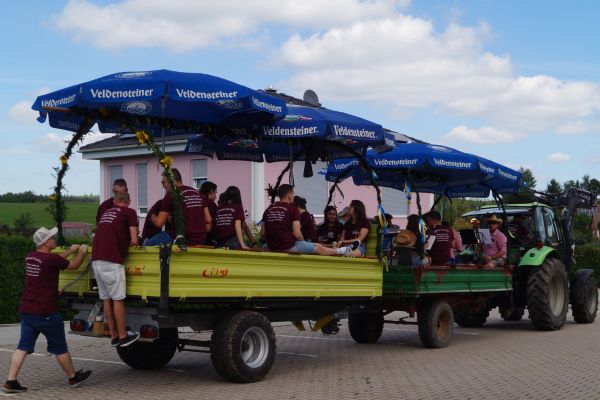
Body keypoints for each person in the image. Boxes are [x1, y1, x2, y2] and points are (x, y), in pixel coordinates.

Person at [3, 227, 92, 393]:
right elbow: (74, 265)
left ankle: (10, 381)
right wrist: (81, 251)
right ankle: (73, 377)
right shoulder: (51, 260)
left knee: (23, 347)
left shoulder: (30, 257)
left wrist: (69, 251)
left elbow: (52, 261)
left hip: (27, 310)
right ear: (45, 242)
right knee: (60, 347)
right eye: (52, 237)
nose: (54, 239)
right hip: (46, 312)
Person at [91, 191, 140, 348]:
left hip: (96, 260)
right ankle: (123, 336)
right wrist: (132, 241)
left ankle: (114, 336)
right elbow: (134, 240)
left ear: (115, 201)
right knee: (118, 299)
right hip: (111, 260)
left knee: (106, 298)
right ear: (128, 201)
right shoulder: (129, 212)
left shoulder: (106, 213)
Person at [261, 184, 358, 256]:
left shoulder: (268, 210)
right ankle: (342, 251)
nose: (293, 197)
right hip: (287, 247)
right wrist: (303, 243)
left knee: (313, 244)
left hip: (271, 247)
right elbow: (297, 234)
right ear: (289, 195)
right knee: (318, 247)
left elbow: (263, 234)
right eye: (293, 194)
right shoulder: (293, 209)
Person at [150, 169, 212, 246]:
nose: (163, 186)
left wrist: (153, 217)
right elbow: (208, 219)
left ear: (171, 181)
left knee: (148, 244)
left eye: (163, 182)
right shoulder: (198, 194)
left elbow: (159, 223)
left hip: (180, 237)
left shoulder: (171, 195)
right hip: (200, 239)